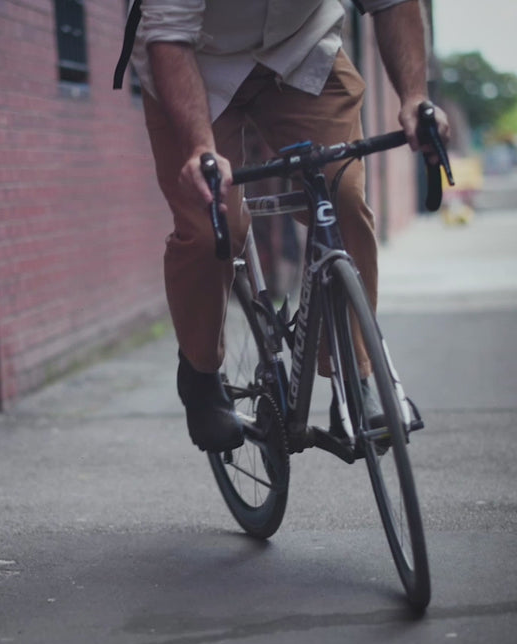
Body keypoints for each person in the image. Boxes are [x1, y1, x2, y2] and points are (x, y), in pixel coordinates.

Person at [115, 0, 450, 453]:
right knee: (214, 226)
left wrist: (414, 95)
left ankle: (355, 375)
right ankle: (199, 373)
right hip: (196, 59)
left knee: (342, 197)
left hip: (302, 51)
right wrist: (200, 147)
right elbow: (169, 34)